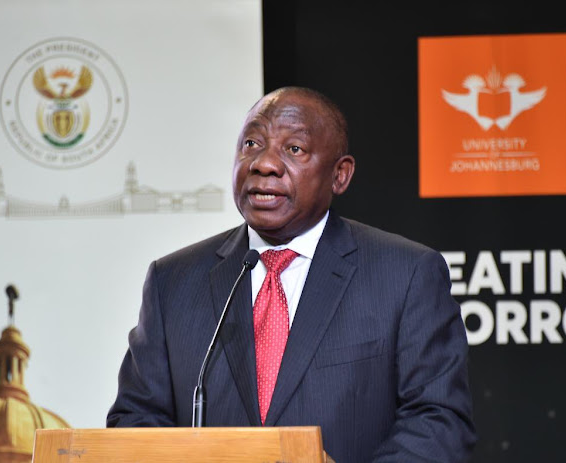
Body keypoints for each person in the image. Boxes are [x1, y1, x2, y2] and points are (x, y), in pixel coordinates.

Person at [107, 86, 476, 462]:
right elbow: (135, 420)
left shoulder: (405, 275)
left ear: (340, 175)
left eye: (294, 149)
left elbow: (439, 423)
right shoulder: (174, 281)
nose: (264, 163)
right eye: (251, 143)